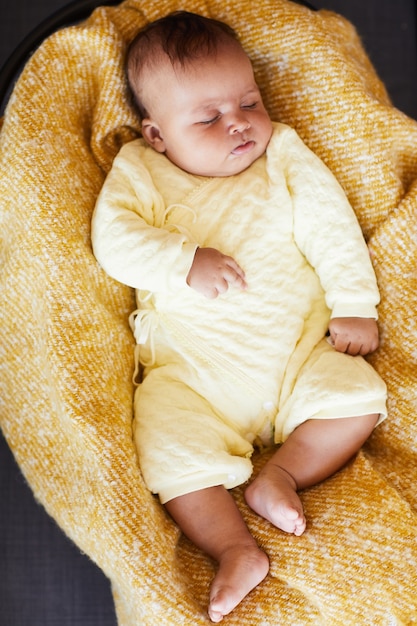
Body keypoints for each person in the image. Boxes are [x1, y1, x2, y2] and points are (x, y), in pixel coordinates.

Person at [91, 11, 387, 623]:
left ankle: (278, 476)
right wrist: (182, 261)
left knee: (359, 395)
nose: (238, 124)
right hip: (198, 374)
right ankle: (233, 547)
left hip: (300, 356)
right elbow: (112, 242)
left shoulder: (281, 154)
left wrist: (356, 304)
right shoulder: (141, 173)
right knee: (164, 441)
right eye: (208, 118)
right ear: (157, 136)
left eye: (249, 101)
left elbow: (331, 226)